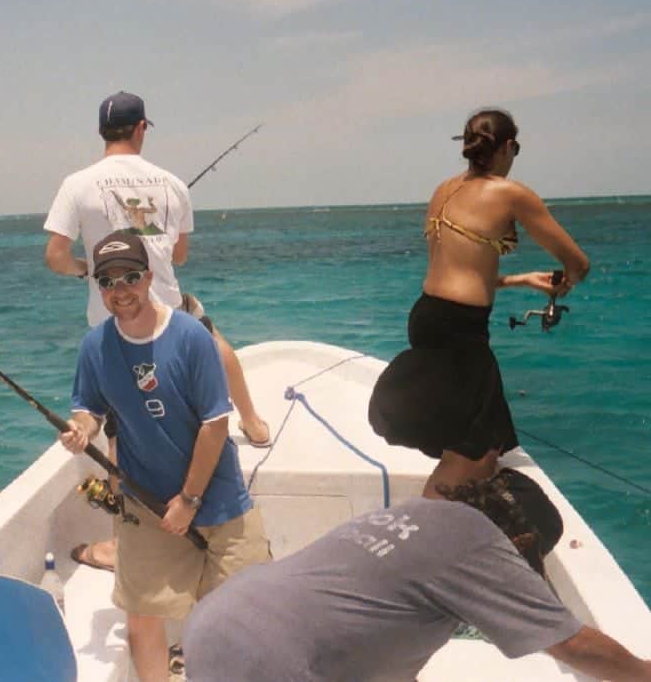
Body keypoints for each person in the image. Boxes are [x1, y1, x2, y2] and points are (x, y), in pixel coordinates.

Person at [46, 91, 271, 573]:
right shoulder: (172, 184)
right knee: (210, 340)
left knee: (120, 425)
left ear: (101, 132)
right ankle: (252, 421)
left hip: (115, 319)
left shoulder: (77, 184)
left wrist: (86, 270)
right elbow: (182, 256)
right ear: (141, 128)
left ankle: (120, 543)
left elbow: (54, 255)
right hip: (170, 307)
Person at [182, 468, 651, 681]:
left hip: (215, 623)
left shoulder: (419, 515)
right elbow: (574, 645)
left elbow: (376, 641)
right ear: (522, 544)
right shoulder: (479, 542)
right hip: (274, 664)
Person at [59, 231, 271, 682]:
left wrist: (189, 500)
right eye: (109, 282)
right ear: (99, 288)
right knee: (141, 617)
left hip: (215, 497)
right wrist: (82, 428)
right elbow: (88, 407)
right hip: (146, 502)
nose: (121, 291)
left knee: (253, 615)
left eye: (131, 278)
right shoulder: (95, 347)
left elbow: (216, 424)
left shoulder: (192, 337)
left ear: (150, 277)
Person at [369, 108, 590, 498]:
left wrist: (520, 280)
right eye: (515, 148)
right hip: (460, 329)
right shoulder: (510, 193)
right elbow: (577, 263)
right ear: (506, 147)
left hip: (428, 315)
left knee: (482, 444)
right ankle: (427, 532)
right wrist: (567, 280)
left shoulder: (444, 189)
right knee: (472, 451)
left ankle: (455, 525)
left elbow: (457, 271)